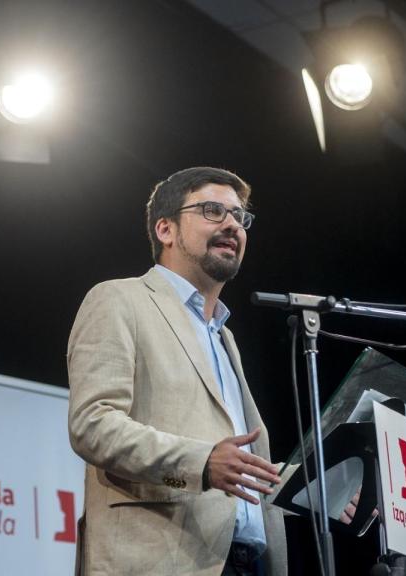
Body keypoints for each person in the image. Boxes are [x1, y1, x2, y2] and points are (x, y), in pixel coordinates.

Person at [67, 167, 287, 576]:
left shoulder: (225, 337)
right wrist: (201, 462)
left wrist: (315, 486)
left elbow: (236, 461)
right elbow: (93, 425)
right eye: (211, 210)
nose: (231, 225)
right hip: (161, 559)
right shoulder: (119, 300)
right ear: (165, 229)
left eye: (240, 217)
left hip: (247, 562)